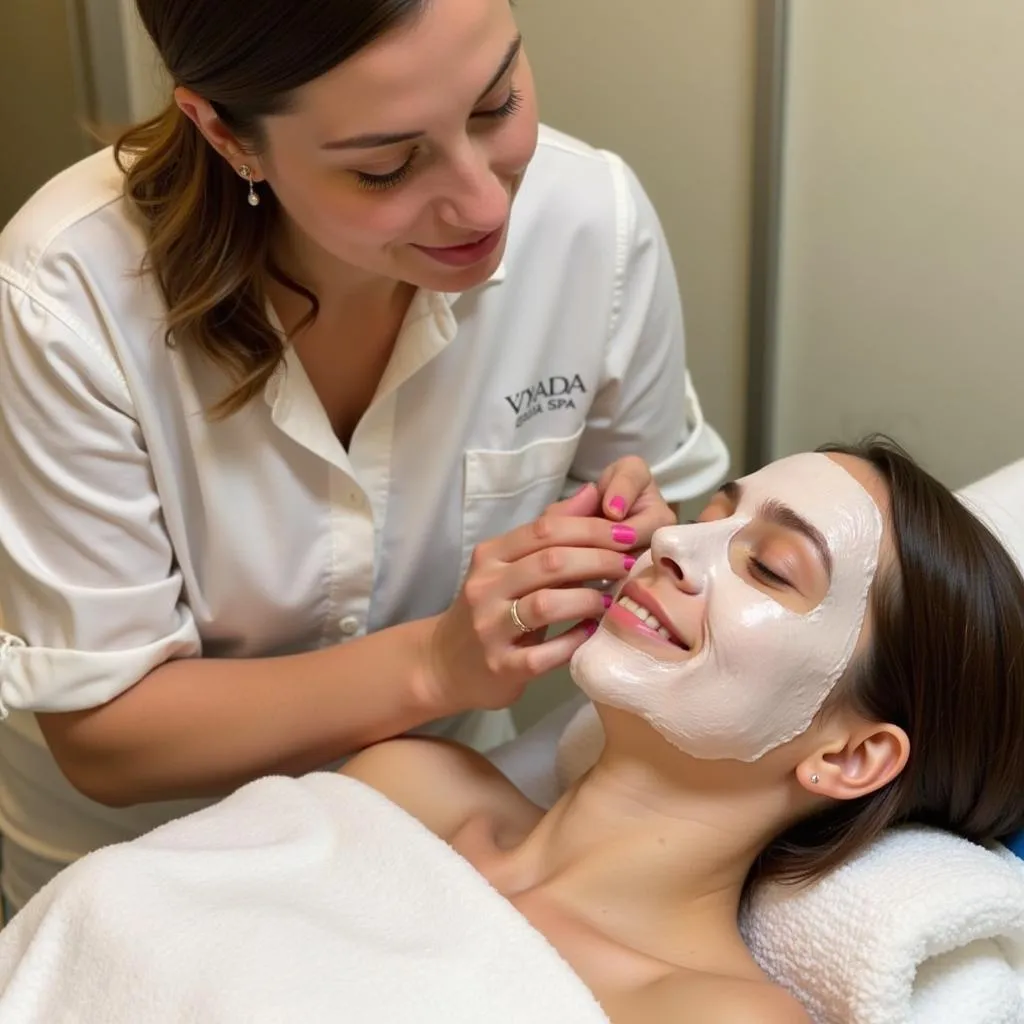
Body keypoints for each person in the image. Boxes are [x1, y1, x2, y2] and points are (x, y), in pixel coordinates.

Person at [0, 0, 728, 914]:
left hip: (436, 838)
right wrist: (435, 664)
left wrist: (622, 544)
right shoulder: (65, 297)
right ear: (226, 133)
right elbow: (108, 740)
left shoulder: (592, 223)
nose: (484, 200)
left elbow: (666, 509)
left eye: (496, 103)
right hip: (140, 877)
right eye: (385, 167)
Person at [337, 438, 1024, 1022]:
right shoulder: (405, 785)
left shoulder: (712, 1016)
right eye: (709, 516)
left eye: (769, 568)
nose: (669, 540)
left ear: (851, 757)